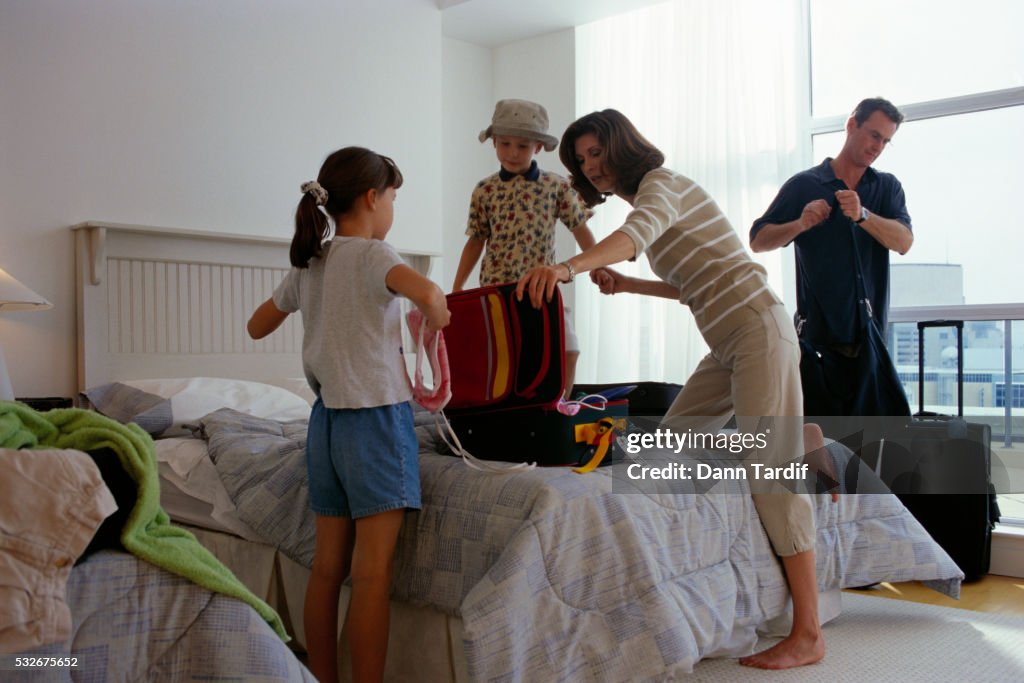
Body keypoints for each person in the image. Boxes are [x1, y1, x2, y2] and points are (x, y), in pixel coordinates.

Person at [516, 109, 829, 670]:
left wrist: (568, 268)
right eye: (582, 160)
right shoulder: (652, 204)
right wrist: (629, 283)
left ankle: (808, 632)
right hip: (728, 340)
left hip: (758, 327)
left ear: (621, 145)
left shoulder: (663, 186)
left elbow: (633, 236)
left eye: (596, 153)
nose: (592, 166)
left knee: (769, 473)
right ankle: (800, 438)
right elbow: (693, 287)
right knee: (667, 448)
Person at [247, 147, 450, 683]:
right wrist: (438, 313)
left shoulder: (311, 262)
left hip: (326, 423)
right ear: (371, 197)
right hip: (377, 422)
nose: (392, 209)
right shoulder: (374, 255)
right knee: (372, 574)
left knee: (328, 567)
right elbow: (428, 291)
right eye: (394, 198)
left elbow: (255, 326)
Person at [750, 97, 913, 422]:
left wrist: (864, 215)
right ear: (851, 125)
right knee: (815, 449)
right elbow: (758, 240)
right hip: (817, 346)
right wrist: (800, 224)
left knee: (882, 444)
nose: (877, 146)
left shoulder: (886, 187)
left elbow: (904, 242)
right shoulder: (804, 185)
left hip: (869, 342)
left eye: (885, 141)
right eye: (874, 135)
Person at [453, 98, 607, 398]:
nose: (512, 153)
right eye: (505, 144)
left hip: (541, 285)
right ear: (494, 142)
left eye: (522, 146)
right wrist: (458, 288)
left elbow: (580, 228)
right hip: (497, 287)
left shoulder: (556, 186)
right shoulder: (485, 190)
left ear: (537, 147)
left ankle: (560, 405)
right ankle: (507, 414)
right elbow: (476, 239)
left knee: (568, 348)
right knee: (507, 358)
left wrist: (600, 266)